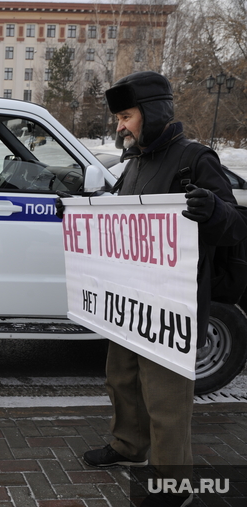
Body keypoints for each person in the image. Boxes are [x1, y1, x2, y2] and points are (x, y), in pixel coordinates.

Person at [73, 71, 247, 507]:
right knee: (122, 378)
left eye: (126, 116)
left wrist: (212, 211)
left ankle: (175, 484)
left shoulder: (194, 158)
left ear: (152, 113)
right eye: (118, 118)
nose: (119, 126)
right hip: (129, 300)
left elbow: (236, 225)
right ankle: (128, 446)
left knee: (166, 397)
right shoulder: (134, 163)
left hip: (173, 304)